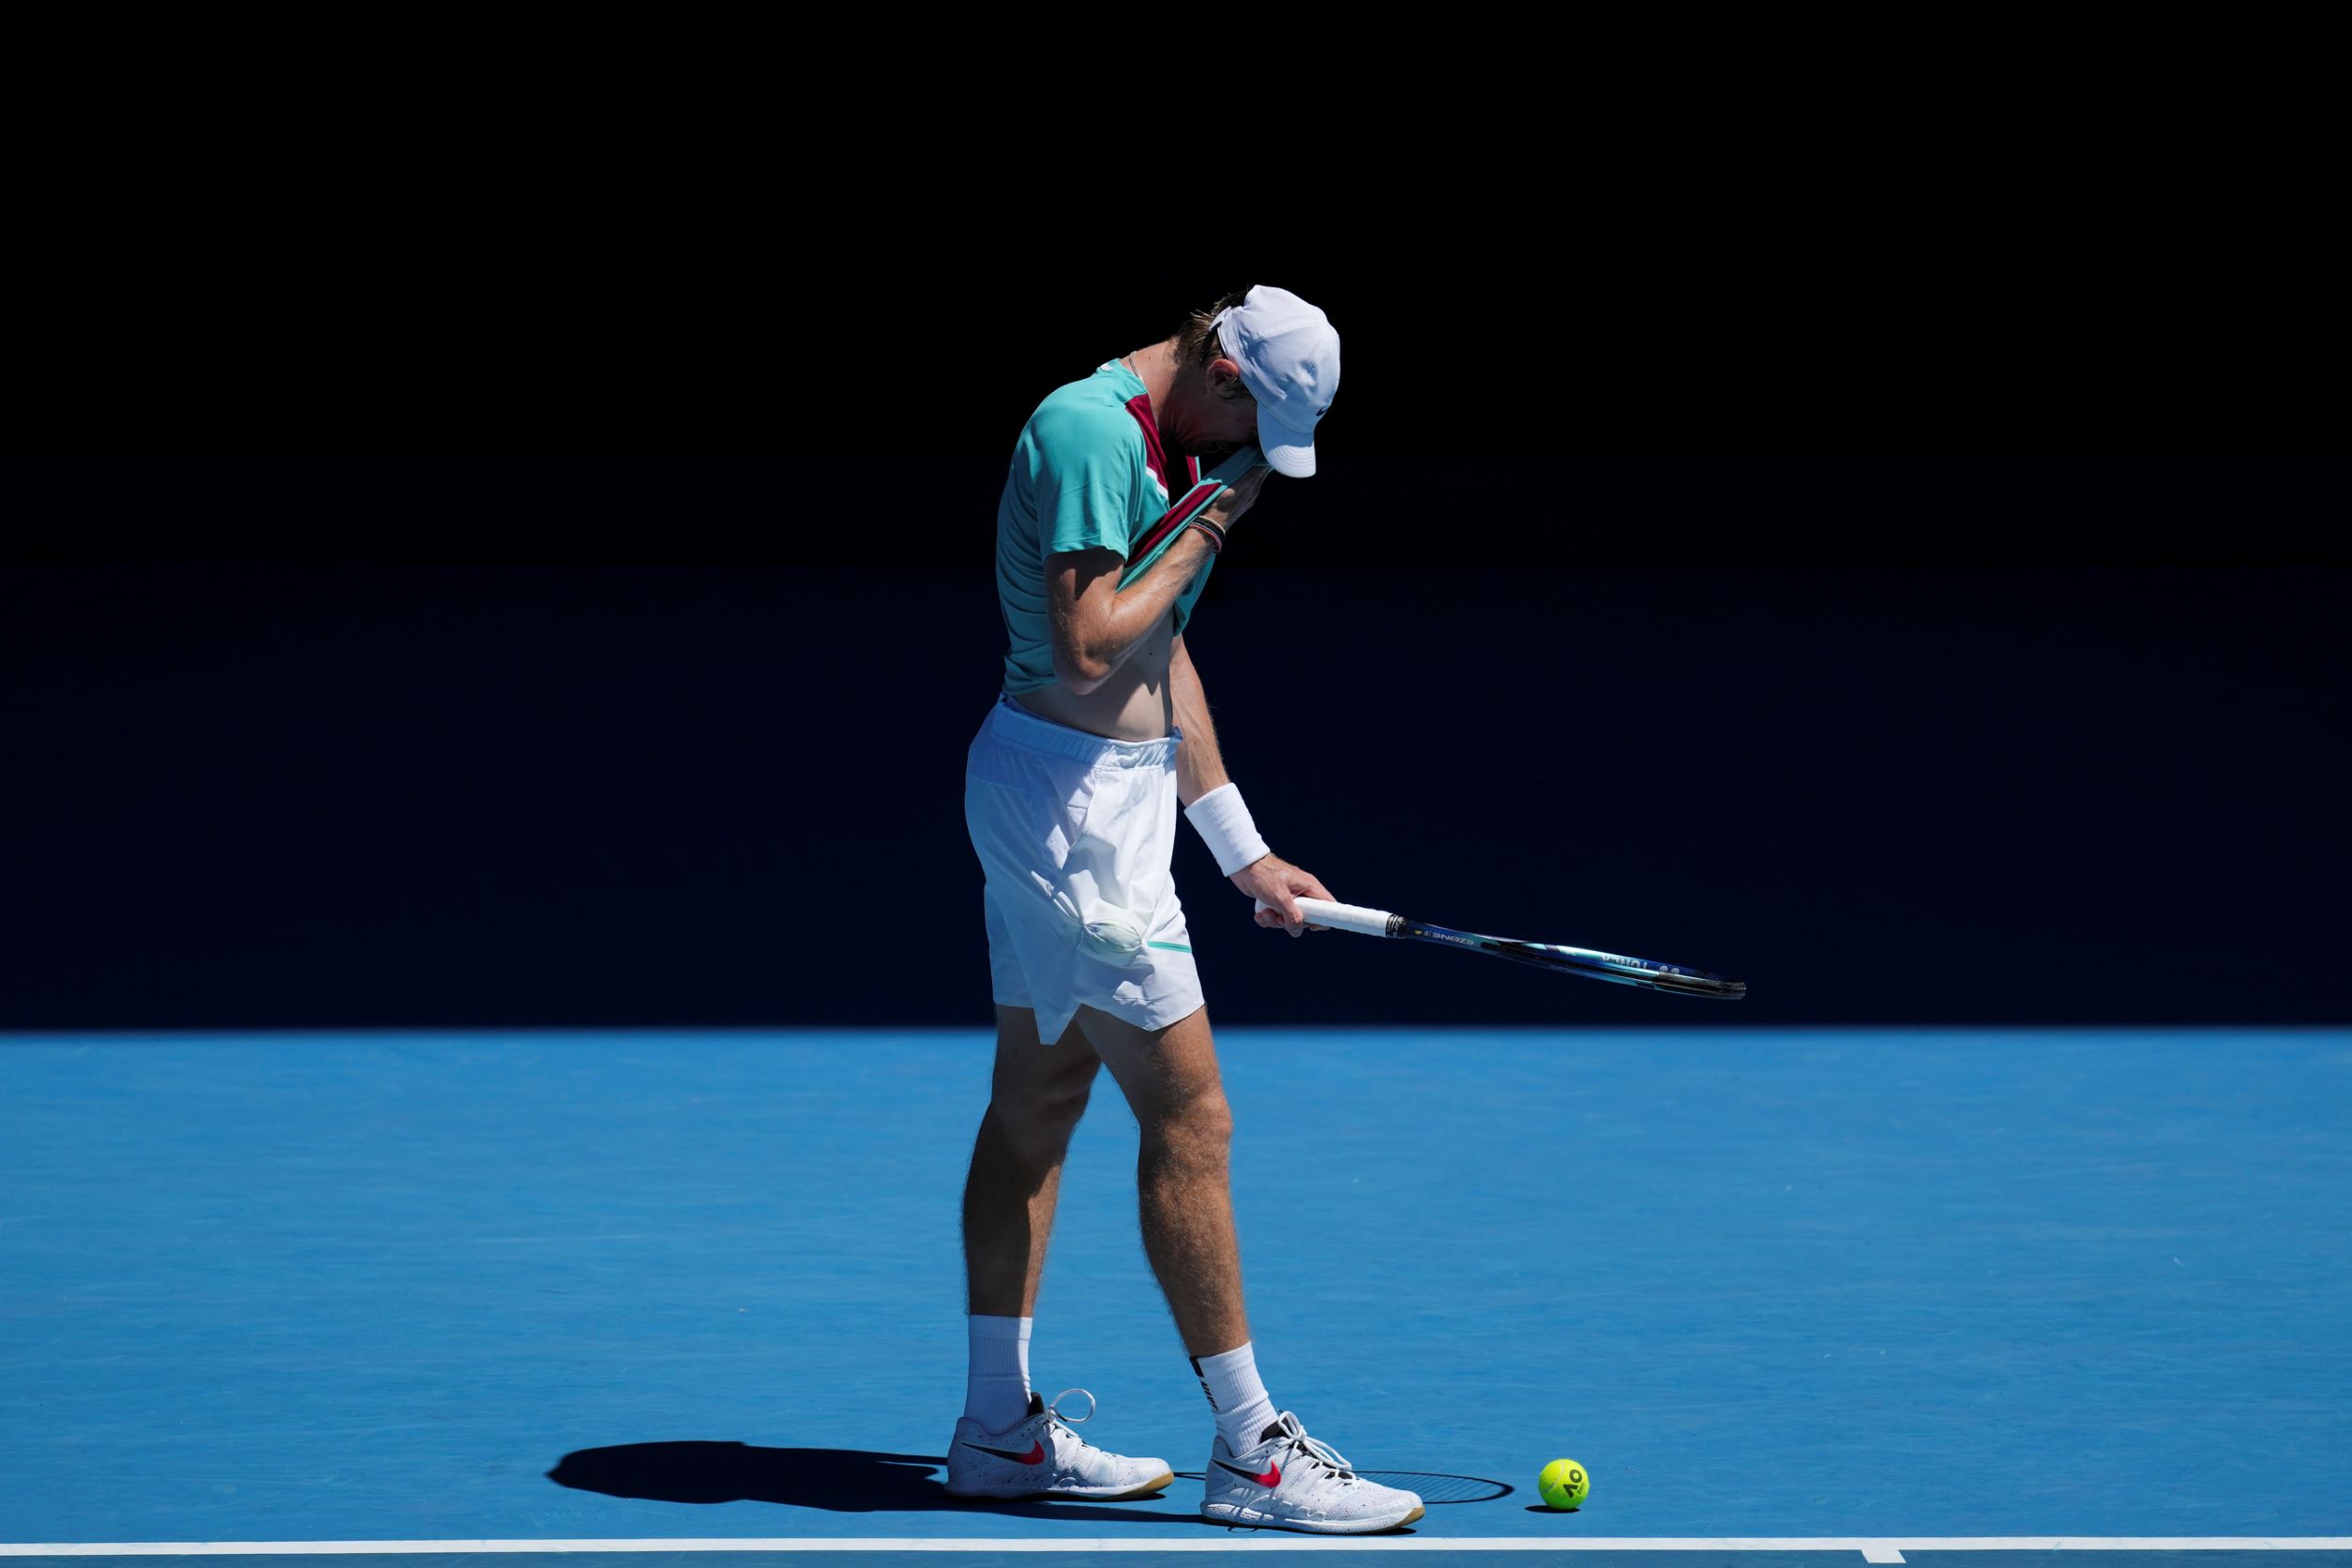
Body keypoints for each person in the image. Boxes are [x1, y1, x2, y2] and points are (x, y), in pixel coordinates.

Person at [949, 284, 1425, 1533]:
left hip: (1092, 800)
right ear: (1220, 366)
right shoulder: (1093, 433)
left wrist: (1242, 851)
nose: (1241, 460)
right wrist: (1211, 521)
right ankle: (1252, 1450)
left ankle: (997, 1432)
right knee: (1193, 1116)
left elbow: (1162, 661)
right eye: (1248, 426)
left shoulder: (1162, 445)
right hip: (1073, 824)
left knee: (1038, 1105)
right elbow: (1093, 647)